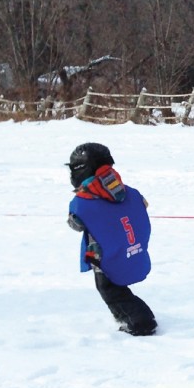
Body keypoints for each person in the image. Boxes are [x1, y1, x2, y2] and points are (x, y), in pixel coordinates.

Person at [66, 143, 157, 336]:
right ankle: (126, 316)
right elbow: (142, 206)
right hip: (126, 246)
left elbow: (77, 224)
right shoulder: (129, 191)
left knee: (107, 288)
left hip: (101, 253)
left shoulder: (83, 201)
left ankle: (139, 320)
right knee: (113, 285)